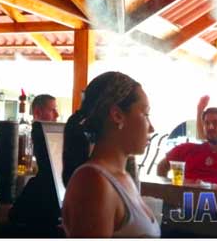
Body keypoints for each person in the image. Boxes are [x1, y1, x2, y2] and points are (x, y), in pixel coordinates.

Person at [61, 72, 159, 237]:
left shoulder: (123, 177)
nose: (151, 128)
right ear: (117, 115)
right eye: (146, 114)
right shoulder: (93, 182)